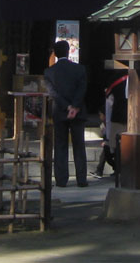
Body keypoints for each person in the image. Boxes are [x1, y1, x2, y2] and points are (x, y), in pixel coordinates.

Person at [44, 40, 88, 187]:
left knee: (60, 145)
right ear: (68, 52)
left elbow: (53, 93)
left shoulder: (49, 72)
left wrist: (67, 106)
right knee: (79, 145)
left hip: (60, 112)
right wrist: (75, 106)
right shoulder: (80, 69)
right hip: (78, 112)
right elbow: (82, 89)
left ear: (55, 54)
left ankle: (61, 179)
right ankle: (81, 179)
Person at [94, 70, 128, 178]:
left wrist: (108, 133)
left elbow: (109, 108)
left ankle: (118, 169)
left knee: (116, 146)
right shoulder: (138, 78)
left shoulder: (114, 85)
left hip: (118, 118)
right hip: (133, 118)